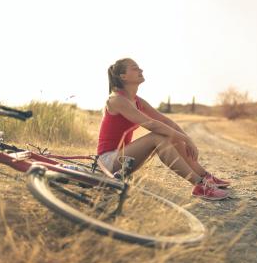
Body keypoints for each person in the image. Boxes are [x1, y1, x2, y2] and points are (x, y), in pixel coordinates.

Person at [96, 58, 231, 200]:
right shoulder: (116, 100)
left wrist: (185, 138)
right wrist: (185, 138)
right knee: (158, 136)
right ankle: (199, 185)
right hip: (107, 162)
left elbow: (165, 120)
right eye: (135, 68)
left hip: (124, 160)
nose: (140, 70)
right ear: (123, 76)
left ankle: (205, 177)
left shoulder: (137, 100)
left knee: (169, 134)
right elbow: (152, 124)